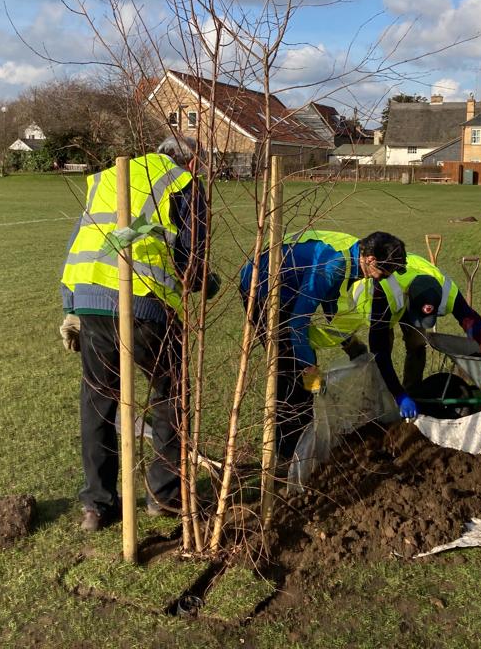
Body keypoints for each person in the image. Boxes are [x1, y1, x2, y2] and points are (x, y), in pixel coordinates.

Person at [59, 139, 212, 532]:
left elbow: (80, 241)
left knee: (97, 402)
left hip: (90, 298)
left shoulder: (107, 177)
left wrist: (70, 307)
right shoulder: (184, 183)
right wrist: (205, 281)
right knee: (169, 396)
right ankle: (163, 496)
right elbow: (192, 257)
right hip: (146, 303)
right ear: (191, 159)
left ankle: (97, 505)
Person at [239, 230, 408, 460]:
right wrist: (310, 370)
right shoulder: (334, 265)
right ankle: (287, 456)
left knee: (302, 374)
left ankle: (303, 447)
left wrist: (349, 343)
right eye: (385, 271)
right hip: (260, 287)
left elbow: (329, 303)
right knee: (290, 371)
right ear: (370, 260)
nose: (384, 277)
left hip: (285, 290)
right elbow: (297, 324)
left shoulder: (351, 264)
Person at [333, 254, 481, 414]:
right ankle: (385, 400)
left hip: (411, 291)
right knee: (384, 345)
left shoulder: (447, 292)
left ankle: (413, 393)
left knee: (417, 343)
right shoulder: (381, 294)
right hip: (375, 299)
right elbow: (381, 353)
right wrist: (398, 396)